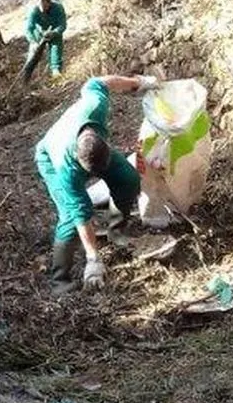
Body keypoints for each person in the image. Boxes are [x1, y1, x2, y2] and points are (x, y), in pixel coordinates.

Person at [34, 75, 159, 294]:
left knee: (127, 179)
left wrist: (138, 83)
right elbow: (81, 216)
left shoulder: (95, 106)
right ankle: (59, 281)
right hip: (50, 158)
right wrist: (93, 260)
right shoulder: (67, 169)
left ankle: (116, 232)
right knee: (70, 218)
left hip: (92, 151)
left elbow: (98, 82)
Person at [25, 0, 67, 77]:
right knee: (34, 52)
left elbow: (62, 25)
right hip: (39, 32)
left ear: (49, 3)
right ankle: (27, 72)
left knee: (56, 48)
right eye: (41, 6)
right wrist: (33, 41)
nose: (43, 9)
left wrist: (55, 32)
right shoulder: (33, 11)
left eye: (45, 6)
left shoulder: (58, 8)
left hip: (54, 31)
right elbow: (29, 29)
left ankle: (56, 70)